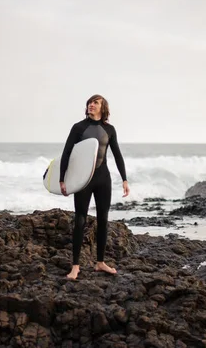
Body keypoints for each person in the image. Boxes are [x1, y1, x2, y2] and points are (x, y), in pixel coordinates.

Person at [59, 94, 129, 280]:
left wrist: (124, 179)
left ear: (103, 107)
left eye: (95, 103)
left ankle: (100, 262)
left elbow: (117, 154)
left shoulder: (110, 129)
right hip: (83, 179)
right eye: (89, 102)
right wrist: (62, 178)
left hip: (103, 178)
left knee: (103, 220)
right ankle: (75, 266)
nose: (91, 105)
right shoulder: (79, 127)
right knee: (80, 220)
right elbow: (67, 152)